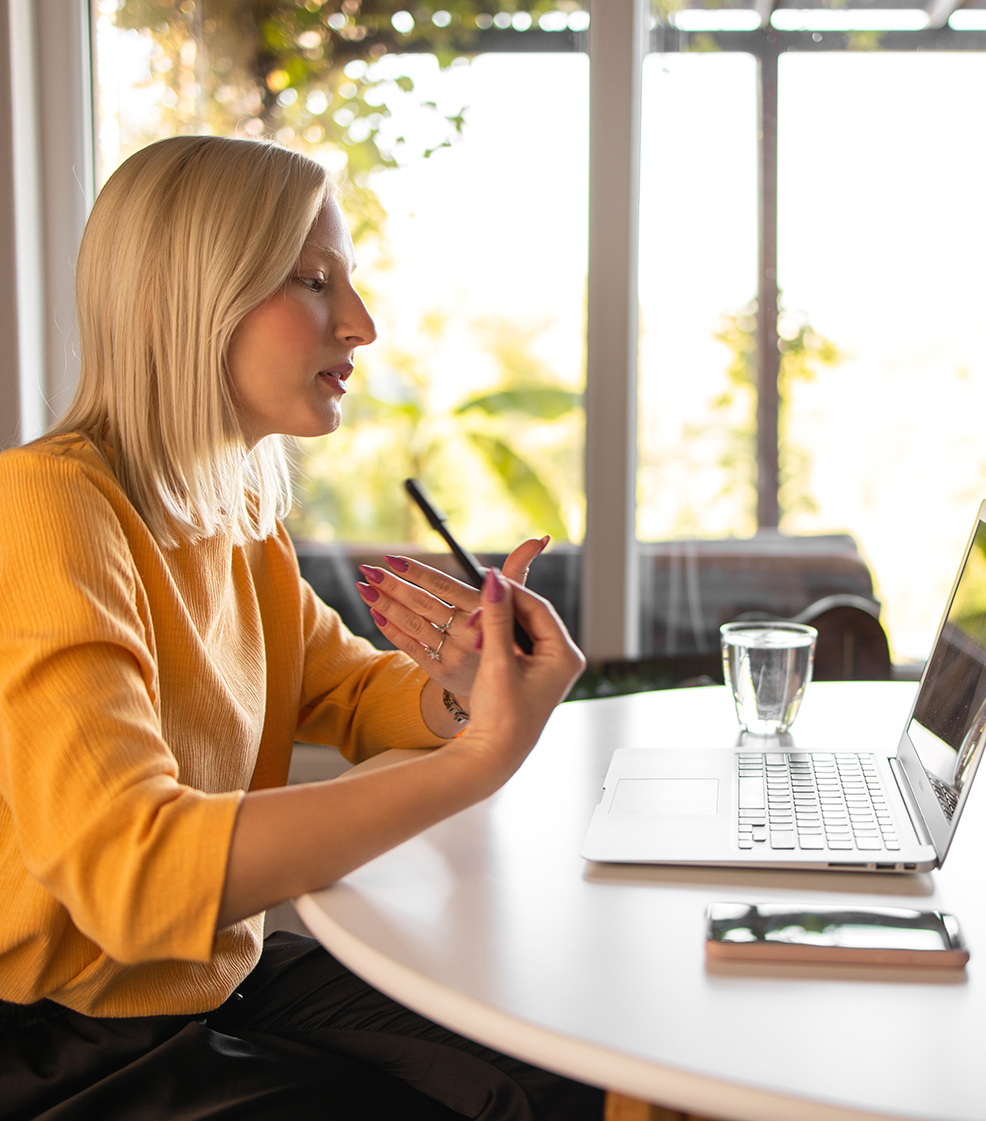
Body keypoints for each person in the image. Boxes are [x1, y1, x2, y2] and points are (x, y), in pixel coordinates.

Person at [0, 135, 601, 1121]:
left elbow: (348, 691)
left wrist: (462, 682)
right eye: (313, 281)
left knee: (555, 1070)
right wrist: (478, 755)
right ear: (195, 296)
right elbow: (133, 874)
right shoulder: (48, 507)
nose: (360, 324)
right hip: (66, 1046)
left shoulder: (234, 514)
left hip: (213, 984)